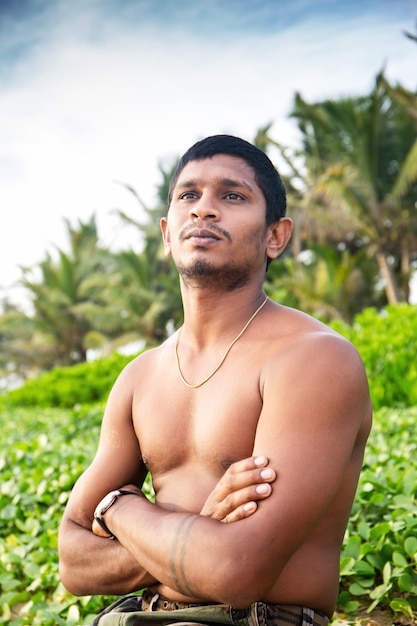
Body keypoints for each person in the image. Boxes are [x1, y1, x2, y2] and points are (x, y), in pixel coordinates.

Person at [58, 135, 372, 626]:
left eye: (232, 196)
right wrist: (200, 533)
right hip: (132, 616)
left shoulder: (314, 360)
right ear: (167, 234)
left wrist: (119, 508)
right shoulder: (140, 376)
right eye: (188, 195)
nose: (204, 210)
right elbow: (73, 562)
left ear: (276, 236)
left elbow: (235, 570)